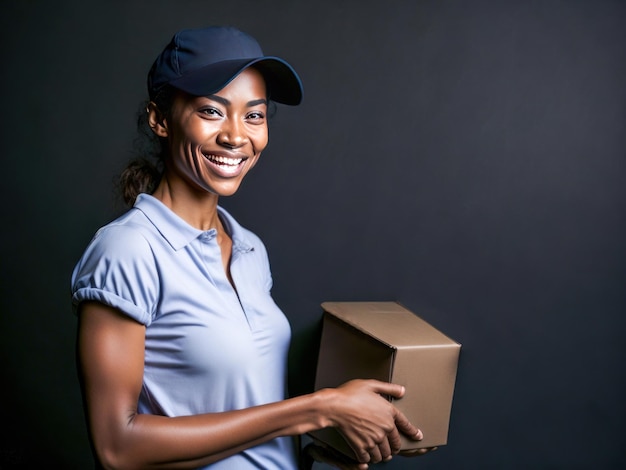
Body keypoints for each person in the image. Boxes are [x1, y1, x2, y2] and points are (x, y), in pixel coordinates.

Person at [71, 26, 432, 469]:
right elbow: (117, 449)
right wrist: (318, 408)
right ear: (159, 119)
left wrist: (330, 439)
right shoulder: (127, 250)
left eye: (254, 115)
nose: (236, 136)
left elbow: (247, 409)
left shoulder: (249, 249)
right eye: (211, 111)